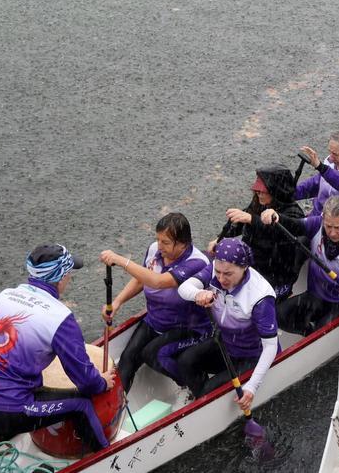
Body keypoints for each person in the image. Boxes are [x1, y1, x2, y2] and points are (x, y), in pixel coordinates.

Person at [0, 244, 115, 452]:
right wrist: (102, 383)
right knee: (82, 405)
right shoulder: (60, 318)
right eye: (68, 274)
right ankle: (108, 459)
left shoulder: (6, 295)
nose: (69, 279)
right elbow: (85, 380)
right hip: (6, 409)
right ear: (61, 277)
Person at [98, 213, 210, 392]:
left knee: (153, 355)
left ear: (182, 244)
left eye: (165, 242)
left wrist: (120, 260)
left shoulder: (197, 262)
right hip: (155, 320)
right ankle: (117, 407)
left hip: (188, 328)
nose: (159, 246)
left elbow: (158, 281)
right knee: (127, 359)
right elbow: (142, 279)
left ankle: (198, 384)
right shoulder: (154, 250)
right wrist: (118, 302)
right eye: (157, 240)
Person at [175, 238, 278, 411]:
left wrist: (251, 387)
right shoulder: (217, 270)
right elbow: (183, 288)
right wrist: (198, 294)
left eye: (228, 274)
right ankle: (203, 403)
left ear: (244, 267)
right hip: (227, 344)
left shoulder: (260, 297)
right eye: (218, 272)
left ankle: (205, 402)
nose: (221, 278)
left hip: (252, 355)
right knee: (185, 361)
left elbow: (270, 347)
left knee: (208, 392)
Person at [260, 195, 339, 335]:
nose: (332, 233)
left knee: (322, 331)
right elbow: (294, 225)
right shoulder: (317, 224)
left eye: (338, 228)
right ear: (323, 219)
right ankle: (308, 332)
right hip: (316, 295)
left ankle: (318, 335)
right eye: (328, 226)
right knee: (278, 315)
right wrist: (276, 216)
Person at [210, 164, 305, 301]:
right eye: (257, 191)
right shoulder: (259, 203)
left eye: (262, 191)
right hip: (252, 265)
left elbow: (280, 233)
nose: (257, 193)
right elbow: (241, 221)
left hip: (275, 276)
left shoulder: (294, 214)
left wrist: (252, 220)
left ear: (275, 191)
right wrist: (220, 238)